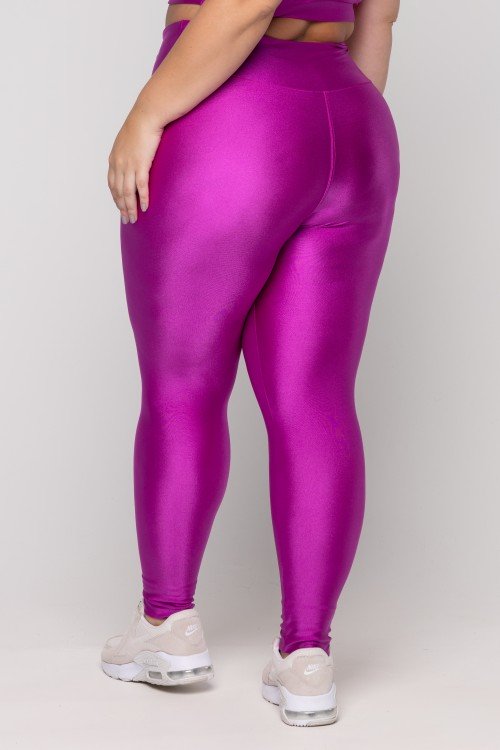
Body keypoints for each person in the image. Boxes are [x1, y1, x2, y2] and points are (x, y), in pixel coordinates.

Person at [101, 0, 400, 727]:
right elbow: (379, 16)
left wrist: (145, 114)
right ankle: (307, 658)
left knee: (182, 385)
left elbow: (245, 6)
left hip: (234, 115)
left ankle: (166, 620)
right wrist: (329, 127)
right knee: (318, 400)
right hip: (353, 121)